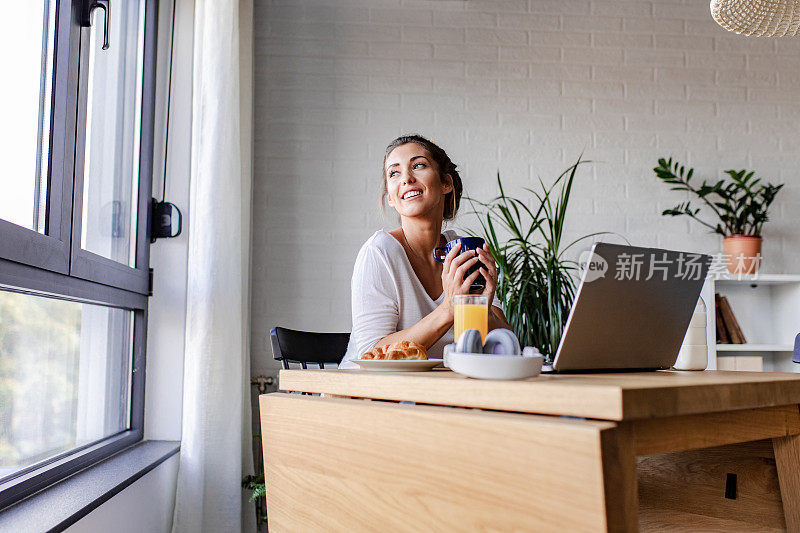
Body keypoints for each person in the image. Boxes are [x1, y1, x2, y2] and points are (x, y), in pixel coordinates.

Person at [339, 134, 512, 368]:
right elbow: (371, 353)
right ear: (390, 197)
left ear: (446, 183)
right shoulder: (379, 252)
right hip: (371, 395)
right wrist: (449, 309)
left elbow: (507, 344)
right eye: (394, 173)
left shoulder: (464, 250)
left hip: (437, 394)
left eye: (418, 165)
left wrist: (481, 309)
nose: (407, 179)